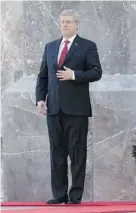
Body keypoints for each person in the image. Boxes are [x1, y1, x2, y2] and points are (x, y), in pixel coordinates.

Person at [35, 9, 102, 204]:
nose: (64, 25)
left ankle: (75, 196)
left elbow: (96, 72)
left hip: (76, 109)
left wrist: (74, 75)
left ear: (77, 24)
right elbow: (43, 76)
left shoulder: (87, 46)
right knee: (57, 153)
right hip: (54, 109)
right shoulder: (50, 47)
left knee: (77, 153)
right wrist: (40, 99)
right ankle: (59, 194)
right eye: (62, 21)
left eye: (68, 22)